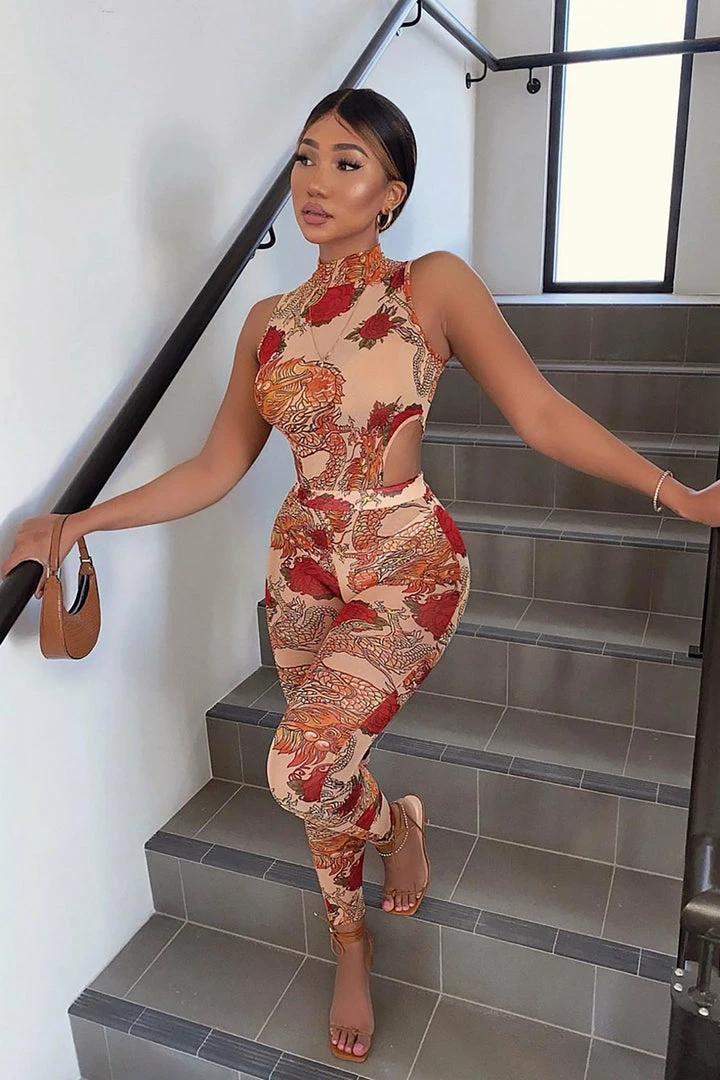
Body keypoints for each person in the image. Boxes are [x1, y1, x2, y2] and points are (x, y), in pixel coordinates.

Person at [3, 87, 719, 1065]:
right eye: (305, 156)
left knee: (299, 766)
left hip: (407, 566)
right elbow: (215, 467)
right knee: (320, 770)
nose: (315, 179)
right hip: (300, 568)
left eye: (347, 162)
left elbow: (543, 415)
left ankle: (391, 838)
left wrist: (677, 495)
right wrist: (78, 521)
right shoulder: (265, 321)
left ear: (392, 193)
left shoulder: (431, 285)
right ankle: (353, 938)